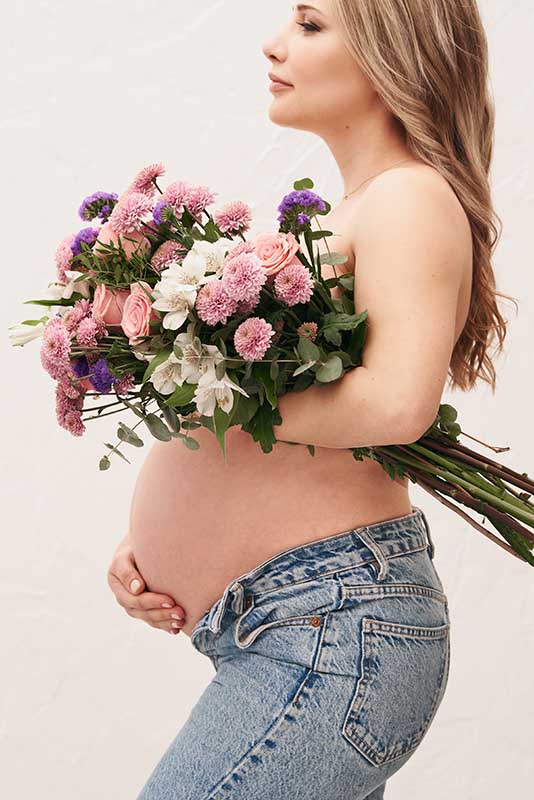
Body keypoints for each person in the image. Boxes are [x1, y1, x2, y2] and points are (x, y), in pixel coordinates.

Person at [107, 1, 511, 797]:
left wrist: (209, 414)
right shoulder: (358, 209)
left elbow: (397, 404)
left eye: (310, 24)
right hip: (302, 620)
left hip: (331, 624)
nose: (274, 43)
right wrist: (156, 544)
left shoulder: (410, 197)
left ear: (393, 55)